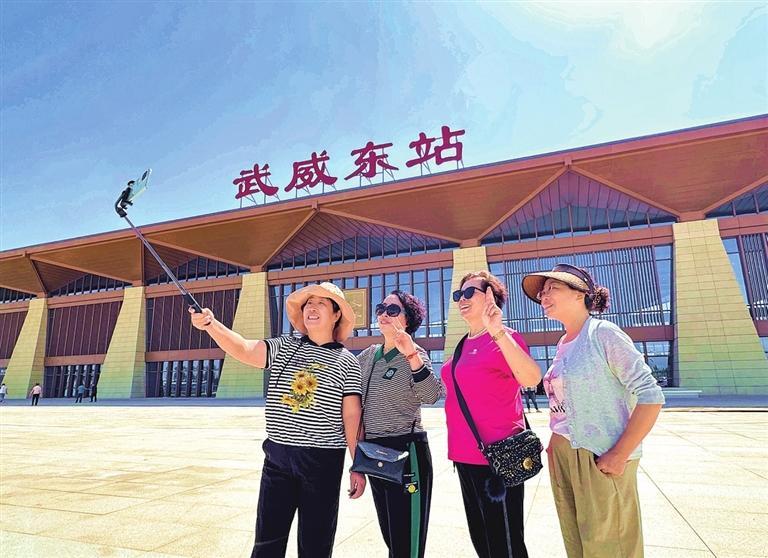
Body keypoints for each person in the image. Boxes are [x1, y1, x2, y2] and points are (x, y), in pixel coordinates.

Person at [190, 282, 365, 558]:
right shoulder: (284, 346)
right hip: (278, 458)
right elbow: (245, 348)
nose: (312, 307)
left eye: (321, 303)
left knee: (316, 544)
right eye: (308, 303)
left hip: (323, 461)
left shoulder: (347, 361)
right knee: (267, 543)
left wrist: (359, 464)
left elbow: (352, 415)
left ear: (336, 314)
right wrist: (211, 324)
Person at [521, 263, 665, 558]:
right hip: (565, 453)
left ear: (580, 294)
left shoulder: (603, 334)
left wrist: (620, 453)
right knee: (577, 542)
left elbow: (651, 395)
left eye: (552, 288)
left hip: (600, 453)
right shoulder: (564, 343)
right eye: (542, 293)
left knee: (611, 546)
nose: (544, 296)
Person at [442, 271, 541, 558]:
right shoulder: (462, 345)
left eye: (469, 293)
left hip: (497, 460)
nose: (461, 299)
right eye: (458, 295)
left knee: (505, 545)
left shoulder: (503, 337)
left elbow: (531, 379)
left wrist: (496, 330)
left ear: (490, 297)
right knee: (482, 541)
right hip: (463, 457)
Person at [356, 290, 444, 558]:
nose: (384, 314)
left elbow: (432, 395)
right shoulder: (368, 355)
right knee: (391, 537)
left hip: (406, 453)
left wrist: (412, 355)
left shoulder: (415, 353)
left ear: (407, 320)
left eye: (393, 310)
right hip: (373, 452)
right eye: (381, 308)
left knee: (407, 541)